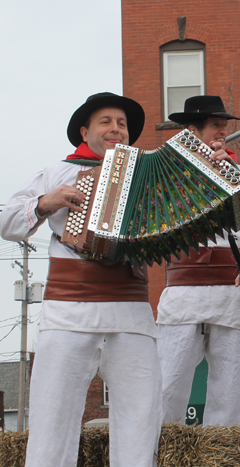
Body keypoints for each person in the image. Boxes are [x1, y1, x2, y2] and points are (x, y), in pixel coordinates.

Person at [0, 92, 162, 467]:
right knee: (52, 418)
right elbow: (6, 221)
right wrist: (45, 202)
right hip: (69, 311)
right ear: (85, 131)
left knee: (141, 420)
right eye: (106, 121)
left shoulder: (149, 176)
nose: (115, 129)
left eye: (121, 123)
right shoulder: (57, 171)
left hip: (132, 314)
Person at [156, 95, 240, 426]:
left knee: (230, 396)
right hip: (183, 297)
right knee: (166, 390)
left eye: (224, 125)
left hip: (231, 294)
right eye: (215, 125)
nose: (222, 131)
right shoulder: (169, 178)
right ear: (192, 132)